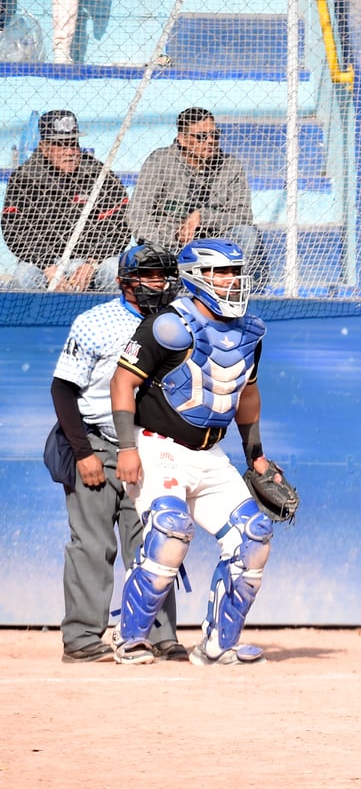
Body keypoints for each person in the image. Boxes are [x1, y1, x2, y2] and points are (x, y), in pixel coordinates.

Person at [110, 237, 279, 666]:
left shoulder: (250, 331)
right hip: (158, 448)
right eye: (220, 271)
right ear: (195, 276)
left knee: (254, 537)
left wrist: (255, 455)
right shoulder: (167, 325)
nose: (231, 280)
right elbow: (122, 383)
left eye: (235, 271)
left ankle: (218, 646)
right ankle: (129, 639)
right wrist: (126, 447)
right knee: (170, 531)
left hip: (210, 455)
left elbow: (248, 394)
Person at [50, 244, 186, 662]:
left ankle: (158, 636)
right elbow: (63, 389)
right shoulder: (95, 321)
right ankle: (83, 640)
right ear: (123, 281)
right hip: (95, 442)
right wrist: (83, 454)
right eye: (147, 276)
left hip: (149, 447)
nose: (157, 284)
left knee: (154, 543)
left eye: (162, 276)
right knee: (92, 545)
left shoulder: (176, 324)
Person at [127, 108, 262, 286]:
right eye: (201, 137)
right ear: (182, 139)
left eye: (215, 135)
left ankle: (231, 291)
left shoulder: (230, 166)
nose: (211, 141)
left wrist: (203, 217)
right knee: (118, 269)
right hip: (166, 247)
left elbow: (244, 216)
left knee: (246, 234)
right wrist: (169, 244)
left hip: (213, 251)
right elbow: (137, 214)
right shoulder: (159, 161)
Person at [2, 109, 130, 291]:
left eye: (73, 143)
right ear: (44, 148)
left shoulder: (98, 173)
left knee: (113, 270)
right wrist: (47, 265)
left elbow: (120, 224)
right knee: (24, 276)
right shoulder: (25, 178)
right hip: (43, 262)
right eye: (61, 145)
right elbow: (13, 230)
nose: (70, 152)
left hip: (91, 260)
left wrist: (92, 261)